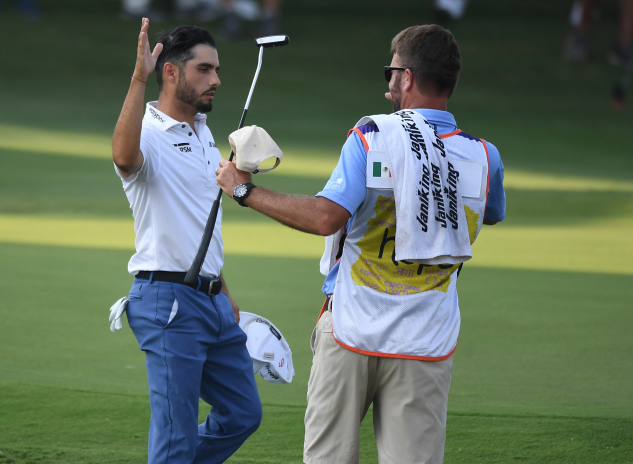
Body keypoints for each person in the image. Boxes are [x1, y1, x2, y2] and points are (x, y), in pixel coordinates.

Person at [215, 24, 506, 464]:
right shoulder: (485, 156)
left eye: (391, 73)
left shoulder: (372, 136)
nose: (389, 86)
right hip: (427, 339)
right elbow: (492, 211)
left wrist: (244, 191)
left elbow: (326, 217)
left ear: (406, 77)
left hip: (352, 327)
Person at [112, 19, 262, 464]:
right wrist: (139, 77)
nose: (216, 79)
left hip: (211, 299)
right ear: (171, 73)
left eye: (216, 70)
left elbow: (200, 221)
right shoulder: (149, 134)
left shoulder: (204, 132)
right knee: (175, 436)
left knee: (241, 414)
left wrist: (225, 292)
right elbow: (123, 156)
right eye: (204, 69)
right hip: (168, 303)